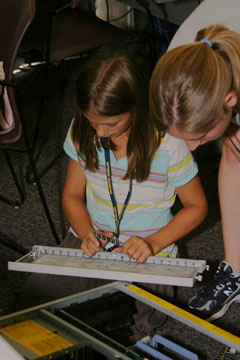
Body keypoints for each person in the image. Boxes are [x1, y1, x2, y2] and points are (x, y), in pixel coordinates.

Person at [15, 51, 207, 340]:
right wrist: (85, 231)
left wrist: (153, 243)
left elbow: (197, 206)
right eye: (93, 122)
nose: (101, 132)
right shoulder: (83, 131)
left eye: (111, 124)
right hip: (91, 238)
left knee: (129, 323)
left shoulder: (169, 145)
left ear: (137, 107)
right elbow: (71, 196)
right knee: (34, 301)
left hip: (150, 252)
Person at [149, 23, 240, 322]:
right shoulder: (193, 63)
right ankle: (236, 271)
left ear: (230, 101)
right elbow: (233, 163)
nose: (190, 148)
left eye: (199, 137)